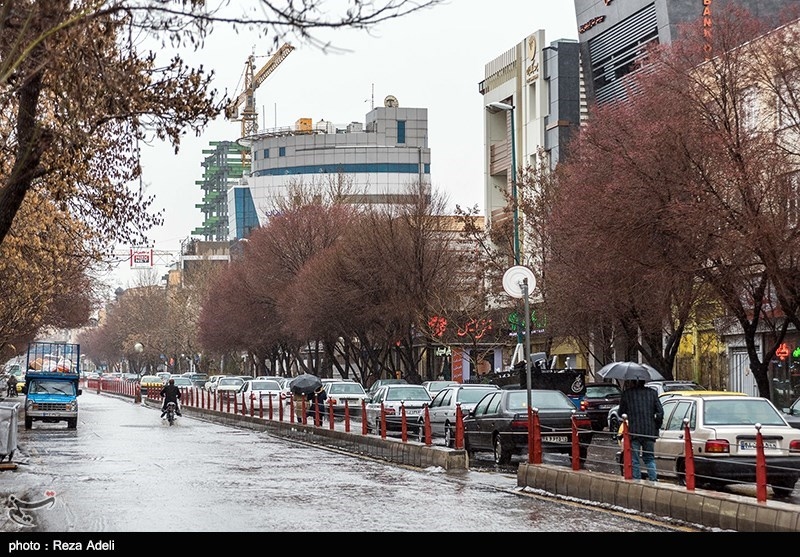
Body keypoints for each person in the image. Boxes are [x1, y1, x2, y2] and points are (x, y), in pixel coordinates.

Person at [618, 379, 664, 481]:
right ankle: (653, 480)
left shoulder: (628, 394)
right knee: (649, 458)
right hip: (649, 431)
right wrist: (656, 425)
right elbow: (660, 412)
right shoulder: (652, 393)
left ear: (632, 382)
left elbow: (620, 412)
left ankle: (636, 480)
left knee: (635, 459)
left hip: (634, 431)